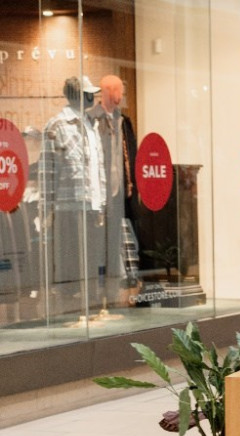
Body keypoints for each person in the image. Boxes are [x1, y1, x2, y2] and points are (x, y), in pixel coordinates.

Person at [40, 76, 106, 315]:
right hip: (69, 206)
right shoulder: (57, 125)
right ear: (76, 95)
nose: (92, 97)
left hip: (91, 203)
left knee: (91, 260)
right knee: (71, 261)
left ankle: (91, 308)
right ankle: (72, 312)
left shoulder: (92, 125)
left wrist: (102, 203)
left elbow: (98, 167)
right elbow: (47, 172)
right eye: (88, 93)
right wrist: (46, 210)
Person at [89, 74, 140, 305]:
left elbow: (133, 154)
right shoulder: (92, 119)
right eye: (119, 91)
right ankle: (100, 292)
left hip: (122, 192)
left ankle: (118, 288)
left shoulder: (124, 120)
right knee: (99, 242)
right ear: (109, 92)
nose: (122, 96)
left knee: (120, 240)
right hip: (100, 193)